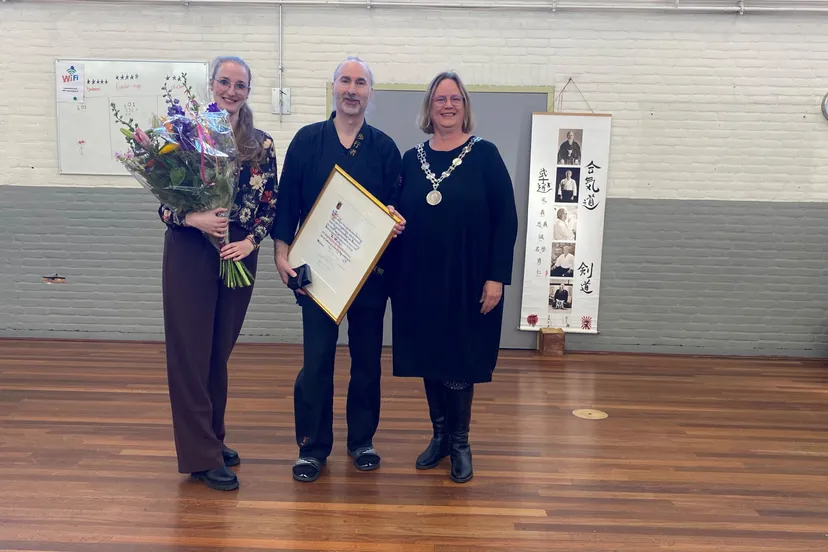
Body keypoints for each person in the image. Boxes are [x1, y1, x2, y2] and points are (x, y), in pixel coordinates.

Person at [270, 56, 404, 483]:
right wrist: (280, 254)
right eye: (345, 81)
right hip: (315, 271)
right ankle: (312, 447)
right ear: (333, 88)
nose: (352, 89)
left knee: (366, 360)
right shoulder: (308, 140)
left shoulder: (384, 148)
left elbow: (396, 208)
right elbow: (287, 200)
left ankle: (362, 440)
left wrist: (395, 219)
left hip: (369, 274)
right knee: (317, 360)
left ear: (370, 93)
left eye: (360, 82)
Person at [389, 71, 518, 483]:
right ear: (429, 107)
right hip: (419, 278)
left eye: (455, 99)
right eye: (440, 99)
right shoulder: (411, 159)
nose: (447, 105)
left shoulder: (485, 154)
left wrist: (496, 277)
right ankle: (440, 436)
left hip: (467, 279)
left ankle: (461, 442)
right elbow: (393, 211)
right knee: (431, 357)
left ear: (464, 107)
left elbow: (507, 220)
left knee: (460, 358)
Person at [156, 56, 278, 491]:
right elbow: (164, 203)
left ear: (248, 91)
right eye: (224, 82)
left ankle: (212, 436)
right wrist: (194, 220)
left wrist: (251, 242)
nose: (231, 90)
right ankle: (200, 456)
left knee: (216, 352)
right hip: (191, 249)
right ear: (211, 84)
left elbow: (269, 203)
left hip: (237, 251)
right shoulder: (183, 136)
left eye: (240, 84)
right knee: (190, 354)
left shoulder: (260, 143)